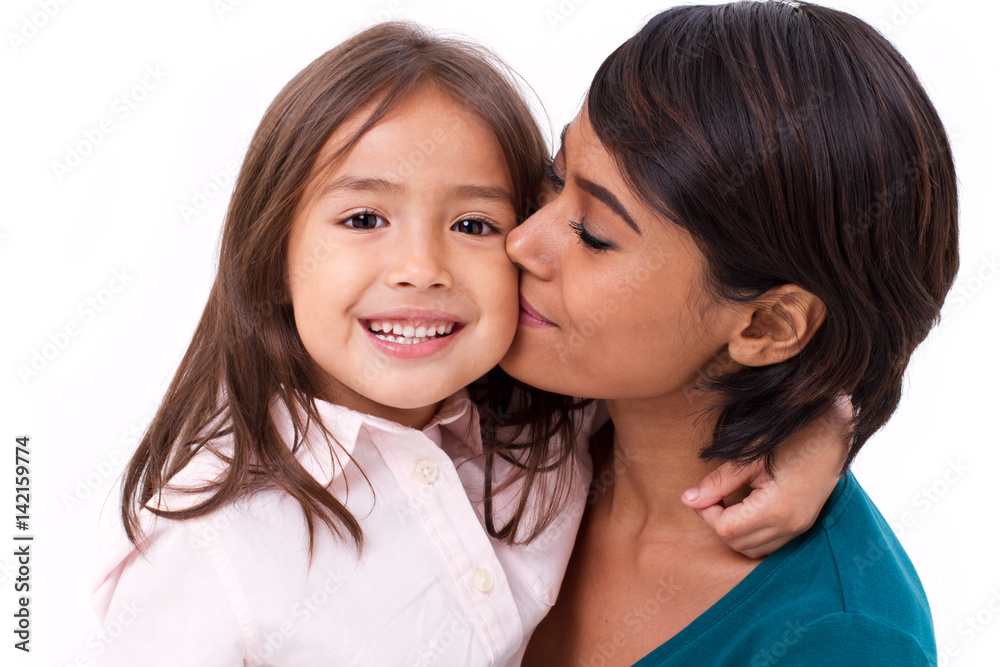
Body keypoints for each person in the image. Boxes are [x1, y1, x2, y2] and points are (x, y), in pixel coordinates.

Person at [90, 20, 845, 667]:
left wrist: (822, 426)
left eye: (474, 225)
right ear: (272, 253)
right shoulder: (209, 549)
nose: (421, 268)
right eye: (363, 219)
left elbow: (689, 372)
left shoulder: (547, 425)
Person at [507, 2, 958, 665]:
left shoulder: (839, 640)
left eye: (594, 235)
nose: (522, 241)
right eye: (555, 175)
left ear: (768, 325)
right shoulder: (499, 407)